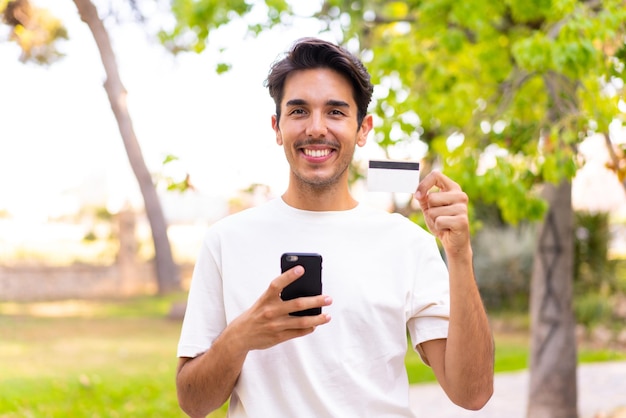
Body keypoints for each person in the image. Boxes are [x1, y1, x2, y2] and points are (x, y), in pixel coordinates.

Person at [175, 37, 494, 418]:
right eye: (298, 111)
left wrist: (459, 254)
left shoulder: (408, 243)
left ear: (363, 129)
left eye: (336, 112)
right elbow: (193, 403)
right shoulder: (226, 241)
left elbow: (472, 393)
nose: (316, 128)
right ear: (277, 128)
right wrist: (241, 337)